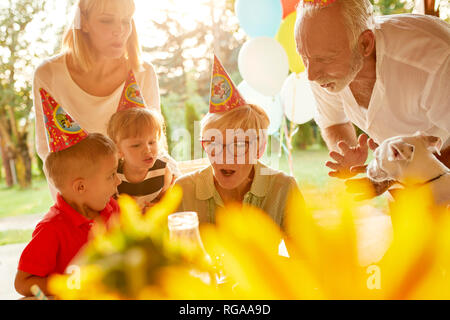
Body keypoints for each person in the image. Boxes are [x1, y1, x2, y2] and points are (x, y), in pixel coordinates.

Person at [294, 0, 450, 198]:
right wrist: (348, 153)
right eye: (304, 57)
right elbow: (333, 123)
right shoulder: (320, 67)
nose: (311, 75)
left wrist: (399, 177)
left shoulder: (433, 62)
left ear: (365, 44)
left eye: (324, 59)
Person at [33, 0, 177, 198]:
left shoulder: (143, 72)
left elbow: (153, 143)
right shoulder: (49, 74)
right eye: (107, 21)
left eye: (125, 21)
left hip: (135, 195)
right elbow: (48, 153)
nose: (119, 30)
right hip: (82, 199)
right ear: (84, 22)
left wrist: (160, 193)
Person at [175, 56, 302, 231]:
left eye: (239, 145)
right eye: (214, 143)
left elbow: (304, 254)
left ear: (260, 149)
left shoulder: (284, 189)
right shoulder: (183, 190)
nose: (224, 155)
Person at [15, 133, 121, 297]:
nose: (118, 181)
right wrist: (70, 284)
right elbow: (23, 283)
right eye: (111, 175)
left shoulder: (112, 208)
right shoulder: (51, 229)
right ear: (80, 187)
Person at [107, 107, 173, 211]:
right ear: (118, 149)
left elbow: (167, 202)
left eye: (152, 142)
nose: (147, 150)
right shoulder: (113, 175)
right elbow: (107, 207)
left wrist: (158, 207)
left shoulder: (163, 171)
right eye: (136, 145)